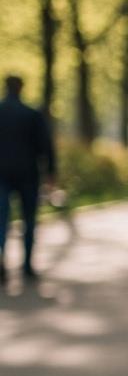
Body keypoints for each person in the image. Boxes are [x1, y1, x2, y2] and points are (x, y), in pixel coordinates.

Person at [0, 75, 57, 284]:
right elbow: (46, 146)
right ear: (21, 89)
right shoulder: (32, 114)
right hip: (28, 175)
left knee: (1, 220)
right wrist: (51, 173)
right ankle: (27, 266)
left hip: (1, 174)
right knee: (29, 220)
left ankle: (1, 257)